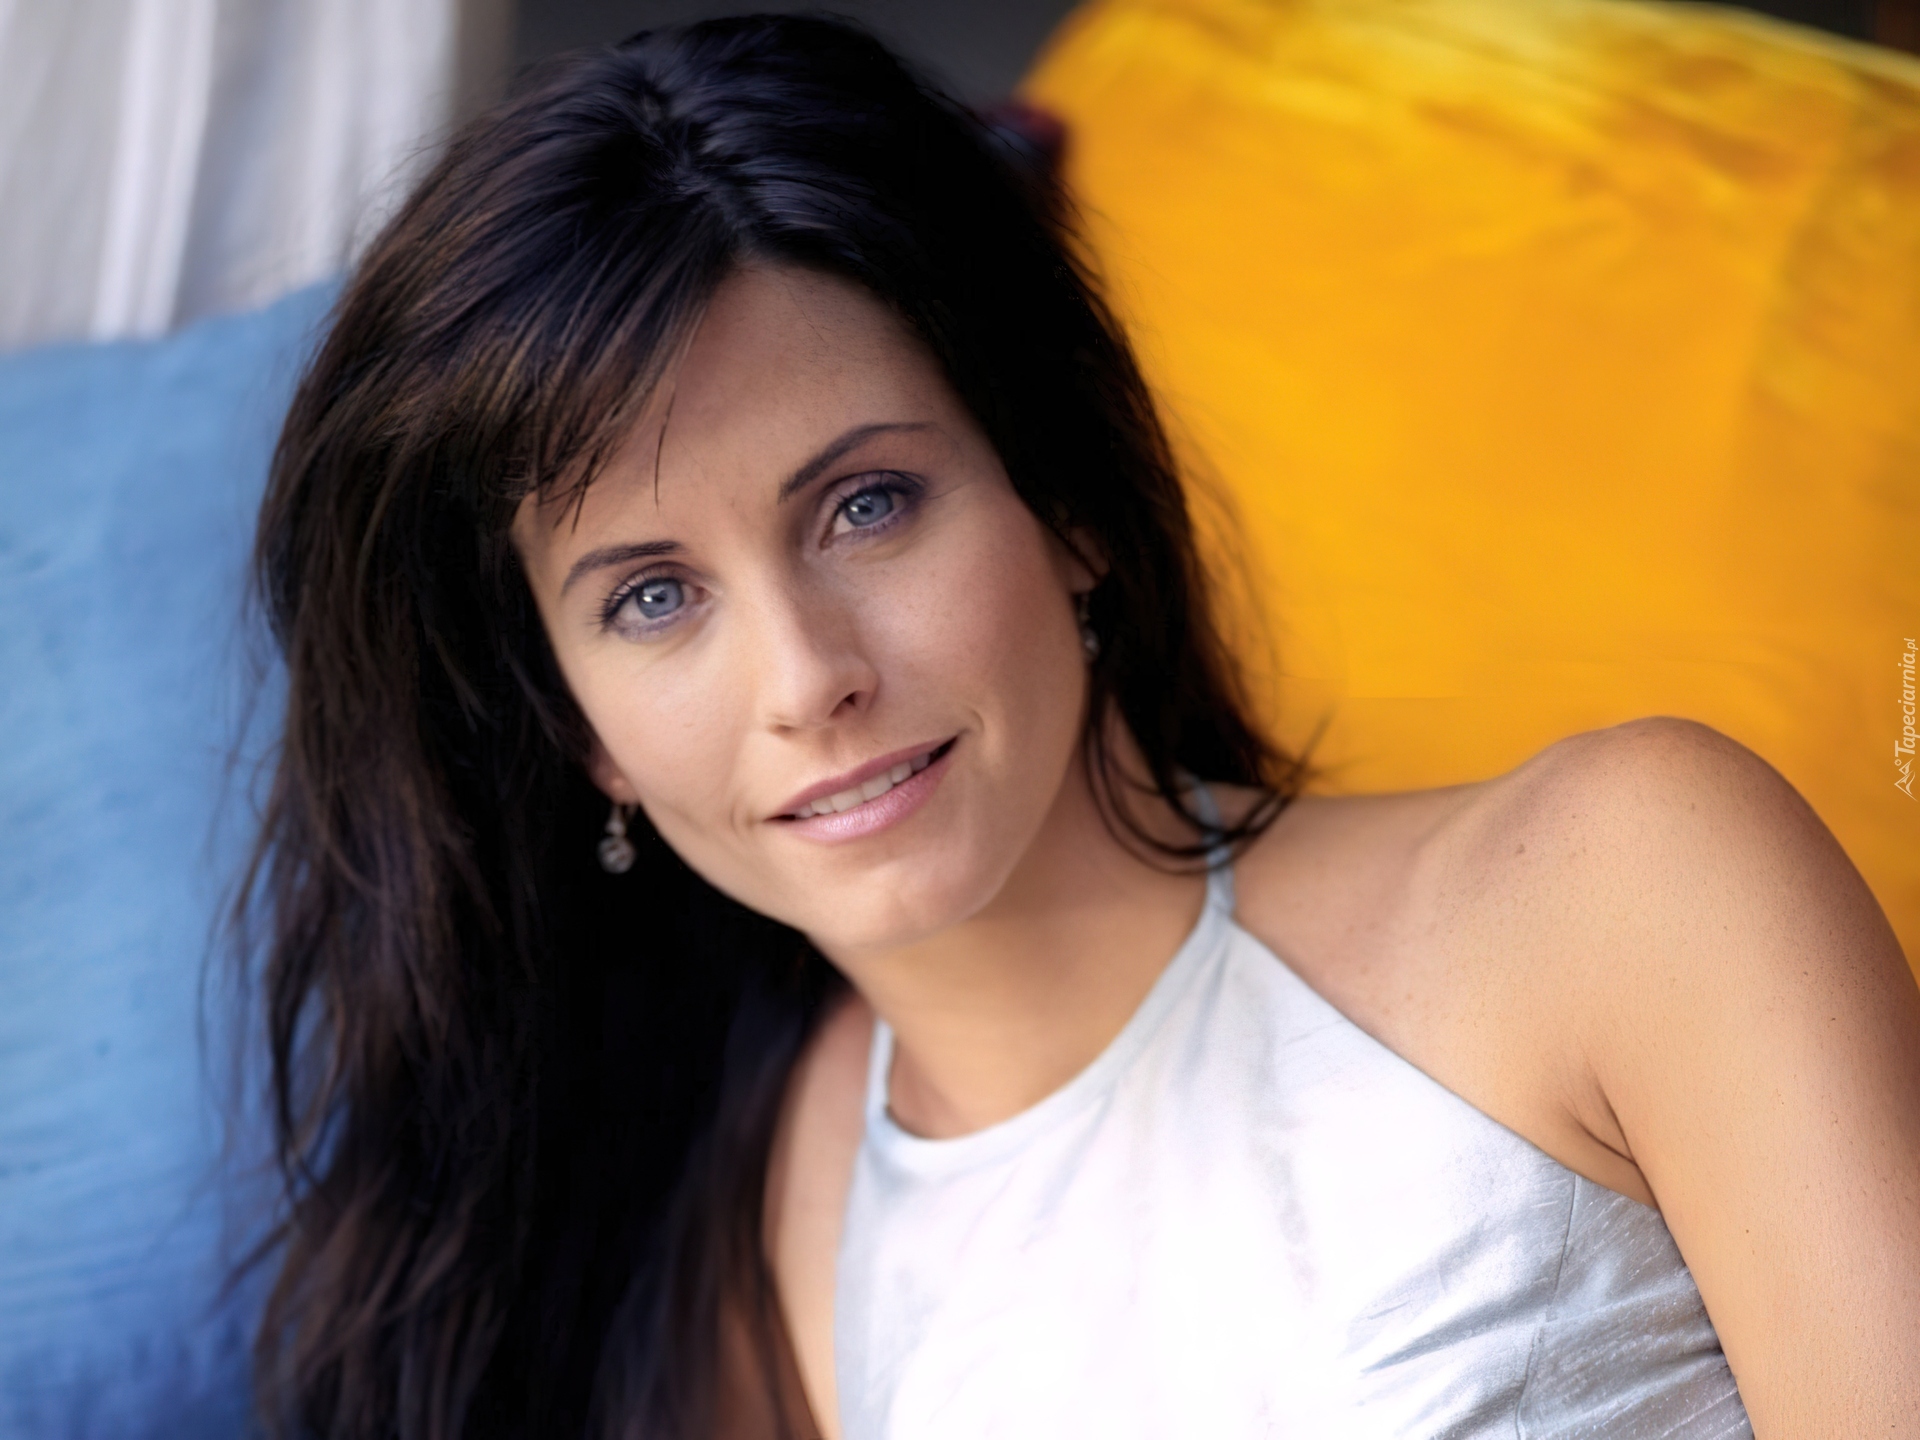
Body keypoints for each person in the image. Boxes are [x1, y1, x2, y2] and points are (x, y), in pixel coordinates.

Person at [242, 14, 1920, 1440]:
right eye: (654, 597)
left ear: (1065, 501)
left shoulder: (1628, 893)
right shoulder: (760, 1246)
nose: (806, 677)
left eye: (867, 504)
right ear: (580, 730)